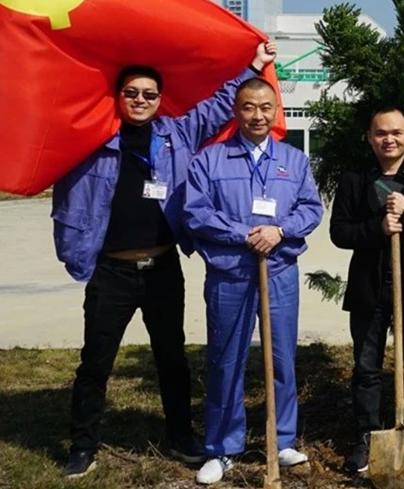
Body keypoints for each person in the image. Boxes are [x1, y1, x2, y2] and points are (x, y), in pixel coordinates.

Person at [54, 42, 276, 478]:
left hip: (161, 268)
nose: (140, 101)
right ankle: (83, 445)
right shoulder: (93, 141)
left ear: (160, 99)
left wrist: (253, 65)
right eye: (132, 93)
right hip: (111, 271)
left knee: (171, 357)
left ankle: (180, 435)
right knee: (96, 361)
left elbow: (217, 108)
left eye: (149, 94)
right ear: (118, 97)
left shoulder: (176, 135)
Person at [182, 76, 323, 484]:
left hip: (279, 273)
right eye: (249, 107)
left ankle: (281, 440)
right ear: (236, 110)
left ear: (276, 111)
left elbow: (311, 208)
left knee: (281, 359)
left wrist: (279, 230)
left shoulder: (294, 160)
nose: (258, 115)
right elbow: (196, 212)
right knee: (226, 360)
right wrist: (244, 233)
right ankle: (223, 447)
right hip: (230, 274)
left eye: (266, 107)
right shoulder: (210, 159)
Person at [329, 106, 404, 474]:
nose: (389, 139)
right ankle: (367, 436)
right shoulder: (354, 181)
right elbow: (339, 232)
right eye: (381, 133)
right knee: (366, 366)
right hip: (370, 290)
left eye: (397, 133)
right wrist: (376, 228)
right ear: (370, 137)